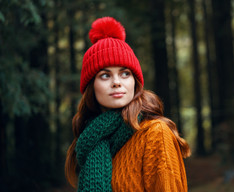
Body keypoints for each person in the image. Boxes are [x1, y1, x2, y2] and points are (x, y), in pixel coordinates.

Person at [65, 17, 191, 192]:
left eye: (125, 73)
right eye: (105, 75)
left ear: (135, 82)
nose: (116, 82)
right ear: (91, 86)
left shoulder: (155, 133)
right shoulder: (91, 141)